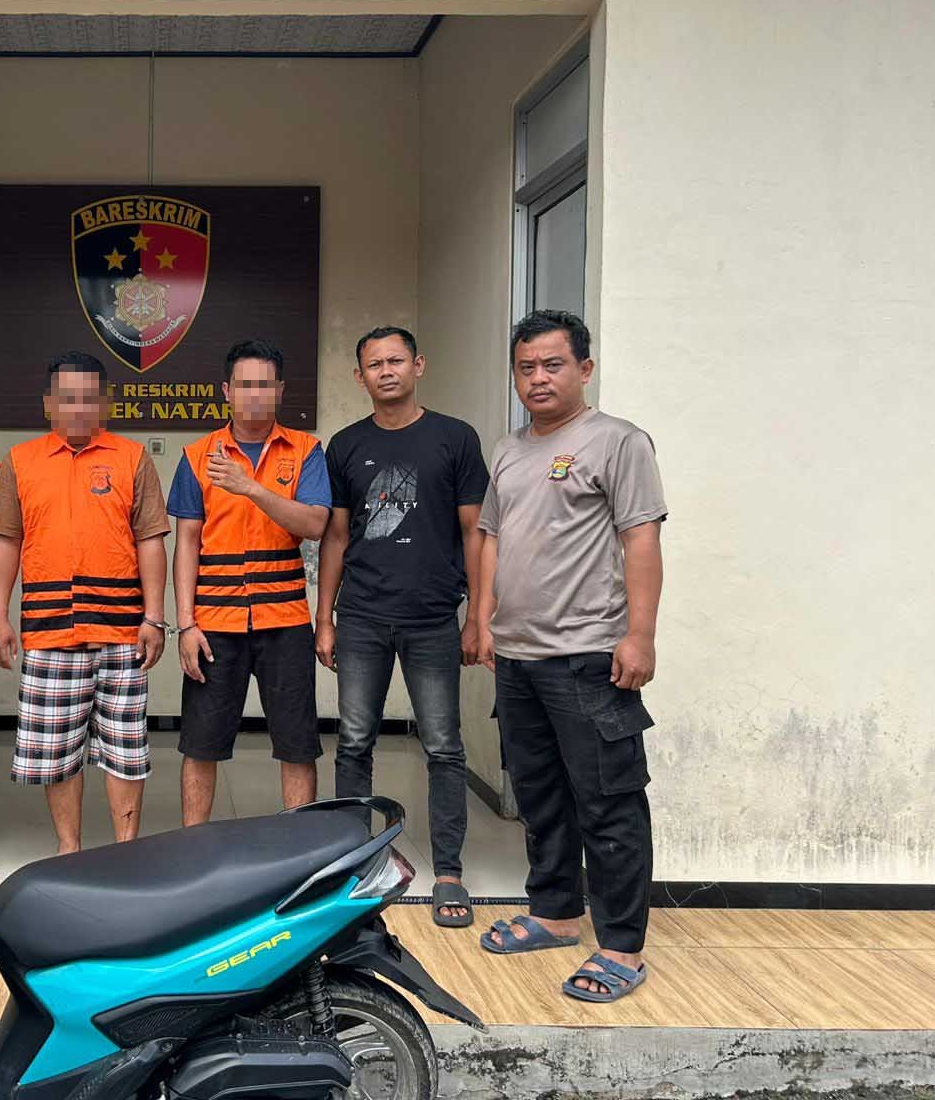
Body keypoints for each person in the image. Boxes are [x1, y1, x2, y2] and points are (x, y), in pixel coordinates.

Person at [474, 309, 666, 1004]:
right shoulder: (508, 450)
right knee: (541, 795)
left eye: (553, 365)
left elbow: (641, 540)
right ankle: (554, 913)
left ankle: (621, 946)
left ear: (584, 369)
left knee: (608, 803)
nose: (539, 378)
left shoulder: (617, 442)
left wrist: (639, 635)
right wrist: (485, 619)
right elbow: (492, 538)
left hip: (589, 655)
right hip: (519, 658)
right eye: (526, 367)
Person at [316, 326, 489, 927]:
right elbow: (336, 536)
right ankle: (352, 867)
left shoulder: (454, 438)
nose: (385, 371)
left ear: (419, 365)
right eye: (374, 364)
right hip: (362, 615)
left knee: (443, 746)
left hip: (434, 617)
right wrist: (324, 617)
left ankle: (449, 873)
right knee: (353, 742)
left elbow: (475, 531)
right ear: (358, 376)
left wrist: (478, 616)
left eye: (395, 360)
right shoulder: (345, 445)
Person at [0, 350, 170, 854]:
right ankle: (70, 851)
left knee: (125, 751)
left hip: (122, 631)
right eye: (68, 398)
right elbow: (6, 541)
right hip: (50, 631)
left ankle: (125, 851)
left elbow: (151, 540)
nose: (78, 407)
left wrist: (155, 618)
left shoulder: (132, 458)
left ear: (105, 403)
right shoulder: (20, 461)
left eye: (89, 398)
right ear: (49, 403)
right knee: (58, 752)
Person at [169, 339, 330, 824]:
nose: (254, 395)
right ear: (226, 391)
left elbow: (315, 524)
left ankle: (299, 849)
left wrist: (250, 488)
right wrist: (185, 625)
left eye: (264, 385)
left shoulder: (305, 450)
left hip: (285, 619)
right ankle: (193, 846)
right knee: (201, 743)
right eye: (244, 385)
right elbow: (187, 544)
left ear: (279, 390)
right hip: (214, 624)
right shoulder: (198, 455)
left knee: (297, 743)